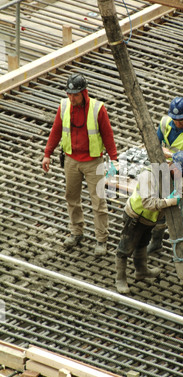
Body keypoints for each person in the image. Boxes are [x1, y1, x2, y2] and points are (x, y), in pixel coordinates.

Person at [42, 73, 118, 256]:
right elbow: (56, 131)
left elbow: (108, 134)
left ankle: (101, 239)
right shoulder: (64, 106)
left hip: (93, 162)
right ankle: (76, 232)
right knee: (72, 198)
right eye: (69, 94)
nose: (71, 97)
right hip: (71, 160)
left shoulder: (98, 109)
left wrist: (114, 159)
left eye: (75, 94)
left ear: (84, 93)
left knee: (98, 201)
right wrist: (47, 154)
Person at [147, 96, 183, 254]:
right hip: (167, 172)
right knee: (161, 207)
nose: (177, 122)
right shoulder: (165, 123)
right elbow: (155, 143)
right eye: (175, 119)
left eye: (180, 119)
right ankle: (156, 242)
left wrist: (181, 159)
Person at [115, 160, 183, 294]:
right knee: (125, 249)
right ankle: (120, 279)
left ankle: (141, 271)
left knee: (142, 245)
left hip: (149, 220)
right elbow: (147, 202)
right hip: (136, 217)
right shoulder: (149, 175)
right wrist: (168, 202)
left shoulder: (170, 177)